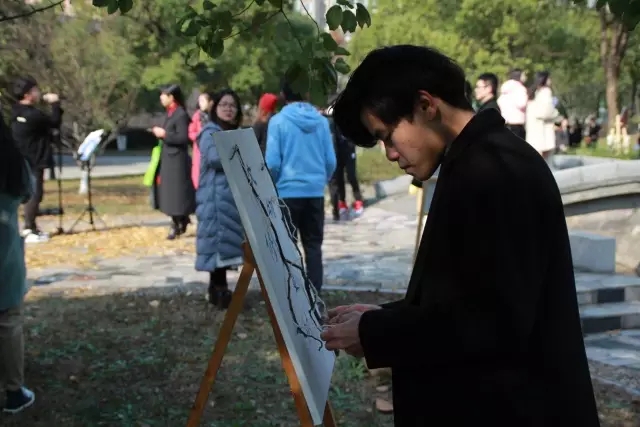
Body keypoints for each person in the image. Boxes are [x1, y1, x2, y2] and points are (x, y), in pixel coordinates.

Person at [323, 45, 599, 427]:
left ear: (425, 105)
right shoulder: (473, 162)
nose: (389, 154)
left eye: (388, 137)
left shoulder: (496, 170)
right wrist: (384, 316)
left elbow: (492, 323)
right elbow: (462, 296)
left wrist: (374, 333)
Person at [265, 81, 336, 292]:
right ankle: (314, 295)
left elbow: (272, 163)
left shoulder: (278, 121)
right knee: (313, 247)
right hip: (314, 192)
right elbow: (330, 161)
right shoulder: (321, 122)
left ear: (282, 94)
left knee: (287, 248)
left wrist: (273, 184)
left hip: (287, 192)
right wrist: (320, 180)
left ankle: (291, 295)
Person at [195, 89, 245, 309]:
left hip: (227, 200)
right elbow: (215, 158)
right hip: (214, 201)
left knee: (224, 245)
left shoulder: (231, 134)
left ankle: (217, 290)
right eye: (224, 104)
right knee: (217, 244)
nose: (228, 109)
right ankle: (219, 291)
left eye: (232, 105)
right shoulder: (210, 132)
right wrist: (240, 151)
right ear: (215, 108)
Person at [0, 110, 36, 414]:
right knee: (8, 319)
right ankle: (13, 390)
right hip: (5, 248)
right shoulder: (12, 158)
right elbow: (27, 190)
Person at [10, 76, 63, 243]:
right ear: (27, 94)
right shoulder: (32, 115)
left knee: (33, 193)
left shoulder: (16, 112)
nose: (38, 93)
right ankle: (29, 228)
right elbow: (54, 122)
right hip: (34, 159)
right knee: (35, 194)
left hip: (24, 158)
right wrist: (55, 104)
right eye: (35, 90)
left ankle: (31, 226)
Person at [151, 84, 196, 240]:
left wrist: (165, 134)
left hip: (177, 161)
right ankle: (179, 220)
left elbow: (183, 138)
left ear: (172, 97)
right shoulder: (170, 113)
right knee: (169, 194)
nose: (161, 98)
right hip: (168, 159)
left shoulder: (180, 114)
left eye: (164, 95)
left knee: (177, 195)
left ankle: (178, 223)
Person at [325, 102, 364, 221]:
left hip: (348, 149)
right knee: (339, 177)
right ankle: (342, 202)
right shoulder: (329, 119)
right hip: (337, 152)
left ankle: (358, 199)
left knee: (351, 175)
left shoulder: (348, 116)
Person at [525, 71, 559, 160]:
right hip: (543, 129)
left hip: (533, 127)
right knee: (544, 157)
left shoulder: (533, 91)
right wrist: (555, 113)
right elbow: (546, 112)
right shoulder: (546, 92)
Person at [188, 91, 213, 190]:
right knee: (198, 174)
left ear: (210, 102)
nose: (200, 103)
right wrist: (199, 135)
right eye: (199, 101)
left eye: (203, 101)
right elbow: (191, 132)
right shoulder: (197, 116)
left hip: (212, 148)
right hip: (199, 149)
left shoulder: (214, 115)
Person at [498, 69, 528, 140]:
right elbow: (522, 104)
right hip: (517, 122)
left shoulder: (505, 88)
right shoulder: (520, 88)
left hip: (505, 121)